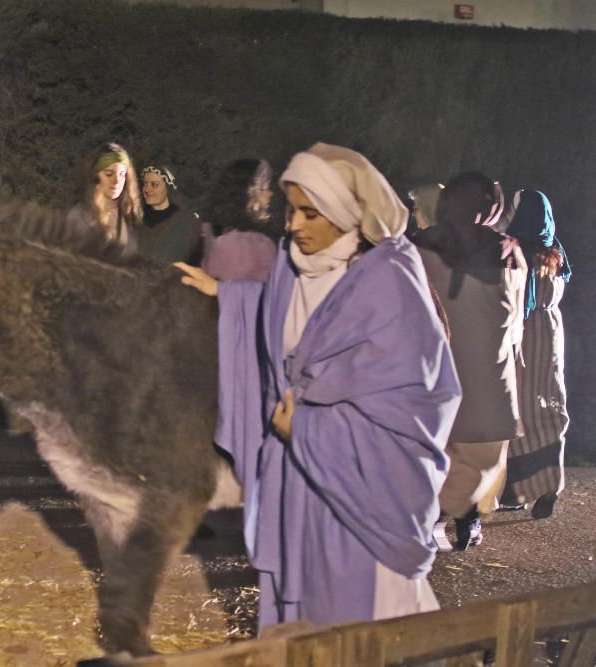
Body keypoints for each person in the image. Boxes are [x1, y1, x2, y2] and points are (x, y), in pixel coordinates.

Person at [177, 143, 459, 629]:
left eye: (310, 213)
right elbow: (280, 331)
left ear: (346, 214)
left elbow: (410, 411)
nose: (293, 226)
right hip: (296, 483)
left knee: (352, 623)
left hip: (360, 497)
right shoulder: (290, 265)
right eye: (291, 210)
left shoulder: (391, 284)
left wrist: (307, 429)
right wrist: (228, 297)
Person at [413, 172, 527, 550]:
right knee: (482, 451)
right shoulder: (505, 248)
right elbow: (513, 310)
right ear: (490, 206)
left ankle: (439, 511)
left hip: (435, 359)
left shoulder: (418, 244)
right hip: (483, 362)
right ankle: (465, 515)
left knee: (440, 441)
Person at [501, 189, 572, 520]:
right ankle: (549, 485)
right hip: (551, 332)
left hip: (521, 332)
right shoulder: (556, 252)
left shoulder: (514, 249)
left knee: (521, 409)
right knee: (550, 405)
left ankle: (517, 490)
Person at [199, 158, 279, 282]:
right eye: (263, 187)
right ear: (248, 194)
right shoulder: (254, 245)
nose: (270, 194)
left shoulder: (213, 235)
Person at [66, 142, 142, 248]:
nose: (116, 181)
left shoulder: (128, 215)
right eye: (109, 174)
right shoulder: (79, 217)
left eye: (122, 174)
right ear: (94, 177)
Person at [136, 164, 202, 263]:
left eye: (154, 184)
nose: (147, 189)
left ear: (167, 188)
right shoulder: (136, 219)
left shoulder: (185, 221)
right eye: (145, 184)